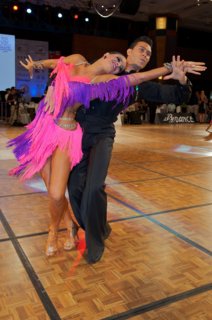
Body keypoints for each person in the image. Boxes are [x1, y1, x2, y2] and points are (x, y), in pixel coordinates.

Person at [9, 50, 204, 261]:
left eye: (119, 66)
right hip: (43, 127)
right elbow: (55, 65)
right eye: (117, 59)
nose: (117, 65)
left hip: (67, 132)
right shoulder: (77, 60)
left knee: (57, 194)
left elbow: (138, 78)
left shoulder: (103, 82)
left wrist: (169, 67)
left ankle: (65, 228)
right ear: (106, 55)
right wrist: (37, 67)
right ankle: (60, 228)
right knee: (55, 190)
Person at [67, 36, 206, 264]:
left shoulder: (141, 85)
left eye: (149, 54)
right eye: (142, 50)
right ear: (128, 52)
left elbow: (175, 95)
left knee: (93, 188)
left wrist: (182, 82)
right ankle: (100, 227)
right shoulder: (108, 63)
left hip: (103, 134)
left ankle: (95, 242)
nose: (145, 55)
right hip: (79, 132)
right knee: (74, 189)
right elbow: (75, 79)